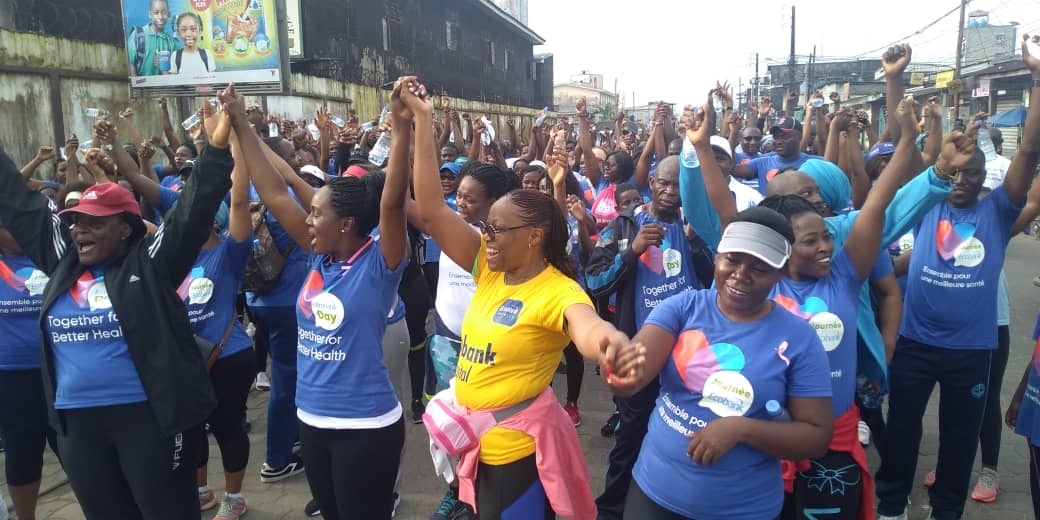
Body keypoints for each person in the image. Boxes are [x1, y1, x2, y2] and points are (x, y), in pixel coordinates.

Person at [407, 76, 636, 519]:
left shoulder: (558, 289)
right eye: (485, 226)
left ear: (533, 238)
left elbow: (586, 327)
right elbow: (434, 211)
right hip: (474, 445)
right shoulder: (490, 269)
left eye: (494, 228)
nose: (484, 235)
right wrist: (421, 120)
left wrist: (609, 343)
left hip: (515, 456)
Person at [0, 89, 236, 519]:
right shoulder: (61, 261)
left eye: (94, 223)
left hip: (151, 421)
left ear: (126, 228)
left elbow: (191, 210)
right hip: (79, 427)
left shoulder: (151, 265)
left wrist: (216, 148)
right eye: (75, 223)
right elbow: (19, 203)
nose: (80, 231)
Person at [875, 38, 1040, 520]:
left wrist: (1037, 77)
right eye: (958, 172)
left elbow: (1029, 149)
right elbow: (904, 145)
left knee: (960, 437)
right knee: (903, 427)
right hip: (915, 342)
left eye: (974, 174)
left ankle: (945, 509)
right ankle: (891, 504)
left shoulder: (998, 210)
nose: (964, 180)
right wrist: (893, 80)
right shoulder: (927, 203)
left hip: (971, 350)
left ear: (985, 179)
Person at [242, 77, 411, 519]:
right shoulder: (320, 260)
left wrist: (402, 124)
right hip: (312, 420)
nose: (308, 221)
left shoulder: (380, 262)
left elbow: (392, 203)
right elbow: (275, 192)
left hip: (365, 427)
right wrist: (242, 126)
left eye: (317, 213)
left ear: (347, 223)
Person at [605, 206, 834, 520]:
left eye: (759, 268)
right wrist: (621, 369)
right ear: (717, 257)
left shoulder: (800, 339)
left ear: (780, 272)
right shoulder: (683, 308)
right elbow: (636, 370)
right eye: (733, 260)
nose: (741, 274)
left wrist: (741, 429)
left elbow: (816, 437)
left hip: (742, 508)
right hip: (655, 493)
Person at [757, 97, 916, 519]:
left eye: (828, 236)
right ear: (783, 246)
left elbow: (878, 205)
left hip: (835, 445)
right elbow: (716, 212)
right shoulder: (760, 284)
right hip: (769, 445)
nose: (827, 247)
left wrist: (912, 142)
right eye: (812, 241)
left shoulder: (843, 276)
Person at [585, 155, 705, 520]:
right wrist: (632, 251)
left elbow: (722, 282)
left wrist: (699, 244)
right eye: (663, 183)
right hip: (641, 353)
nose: (670, 192)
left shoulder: (696, 223)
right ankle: (612, 510)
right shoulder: (625, 225)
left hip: (691, 358)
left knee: (686, 436)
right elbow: (594, 280)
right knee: (631, 436)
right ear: (650, 182)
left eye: (678, 185)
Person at [0, 227, 58, 520]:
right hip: (12, 376)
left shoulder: (50, 257)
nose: (18, 232)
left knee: (74, 449)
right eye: (9, 227)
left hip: (58, 371)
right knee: (23, 451)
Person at [732, 116, 822, 195]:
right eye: (776, 137)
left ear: (799, 137)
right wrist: (733, 133)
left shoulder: (815, 164)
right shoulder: (762, 162)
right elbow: (732, 169)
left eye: (785, 136)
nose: (778, 141)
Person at [127, 0, 176, 76]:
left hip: (163, 86)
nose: (160, 17)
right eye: (156, 13)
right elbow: (130, 64)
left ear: (169, 14)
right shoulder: (137, 35)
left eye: (164, 12)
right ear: (150, 14)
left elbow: (172, 73)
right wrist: (137, 86)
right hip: (141, 86)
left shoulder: (170, 42)